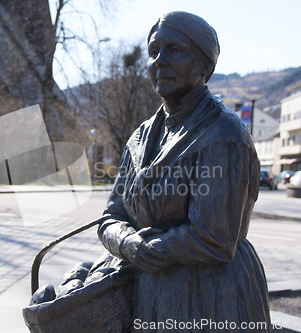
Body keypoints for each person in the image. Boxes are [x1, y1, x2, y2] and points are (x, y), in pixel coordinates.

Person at [97, 11, 271, 332]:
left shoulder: (223, 133)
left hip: (211, 296)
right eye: (153, 52)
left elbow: (215, 238)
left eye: (174, 50)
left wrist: (147, 249)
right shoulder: (140, 137)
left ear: (206, 66)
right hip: (150, 290)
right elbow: (111, 217)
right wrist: (126, 244)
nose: (159, 61)